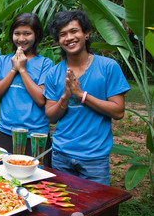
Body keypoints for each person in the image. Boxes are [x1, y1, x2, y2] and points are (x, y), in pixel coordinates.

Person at [44, 10, 130, 185]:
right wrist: (66, 98)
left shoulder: (108, 67)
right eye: (62, 34)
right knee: (63, 209)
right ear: (58, 41)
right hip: (61, 155)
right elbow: (51, 116)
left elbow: (118, 111)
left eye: (74, 31)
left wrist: (81, 95)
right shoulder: (53, 73)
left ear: (86, 33)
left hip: (95, 158)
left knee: (96, 210)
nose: (69, 38)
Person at [0, 13, 53, 166]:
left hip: (36, 135)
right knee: (3, 180)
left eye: (27, 33)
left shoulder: (45, 63)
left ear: (36, 35)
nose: (21, 38)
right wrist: (13, 70)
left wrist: (22, 70)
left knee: (36, 182)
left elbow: (41, 99)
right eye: (17, 33)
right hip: (6, 132)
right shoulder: (2, 61)